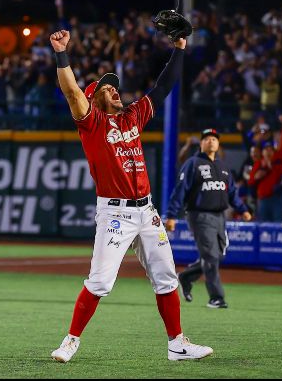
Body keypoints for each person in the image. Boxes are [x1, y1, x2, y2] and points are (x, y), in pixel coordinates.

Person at [48, 30, 212, 363]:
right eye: (106, 87)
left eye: (114, 85)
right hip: (115, 214)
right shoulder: (92, 122)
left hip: (146, 211)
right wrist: (62, 55)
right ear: (94, 98)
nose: (114, 88)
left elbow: (164, 87)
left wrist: (179, 48)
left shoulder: (132, 116)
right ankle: (70, 340)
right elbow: (70, 90)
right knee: (100, 282)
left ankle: (177, 344)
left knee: (167, 278)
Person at [165, 128, 253, 309]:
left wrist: (243, 209)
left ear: (218, 144)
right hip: (199, 215)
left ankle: (186, 276)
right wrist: (172, 215)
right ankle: (216, 297)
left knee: (218, 255)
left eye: (214, 139)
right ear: (201, 144)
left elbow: (232, 193)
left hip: (220, 216)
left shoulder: (223, 167)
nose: (211, 141)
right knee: (211, 255)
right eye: (207, 139)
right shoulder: (193, 163)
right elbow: (180, 191)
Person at [247, 115, 282, 221]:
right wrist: (257, 177)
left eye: (270, 149)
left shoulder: (279, 161)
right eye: (265, 149)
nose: (268, 151)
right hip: (262, 200)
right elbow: (250, 182)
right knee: (263, 229)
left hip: (277, 199)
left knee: (278, 227)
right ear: (262, 152)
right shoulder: (259, 164)